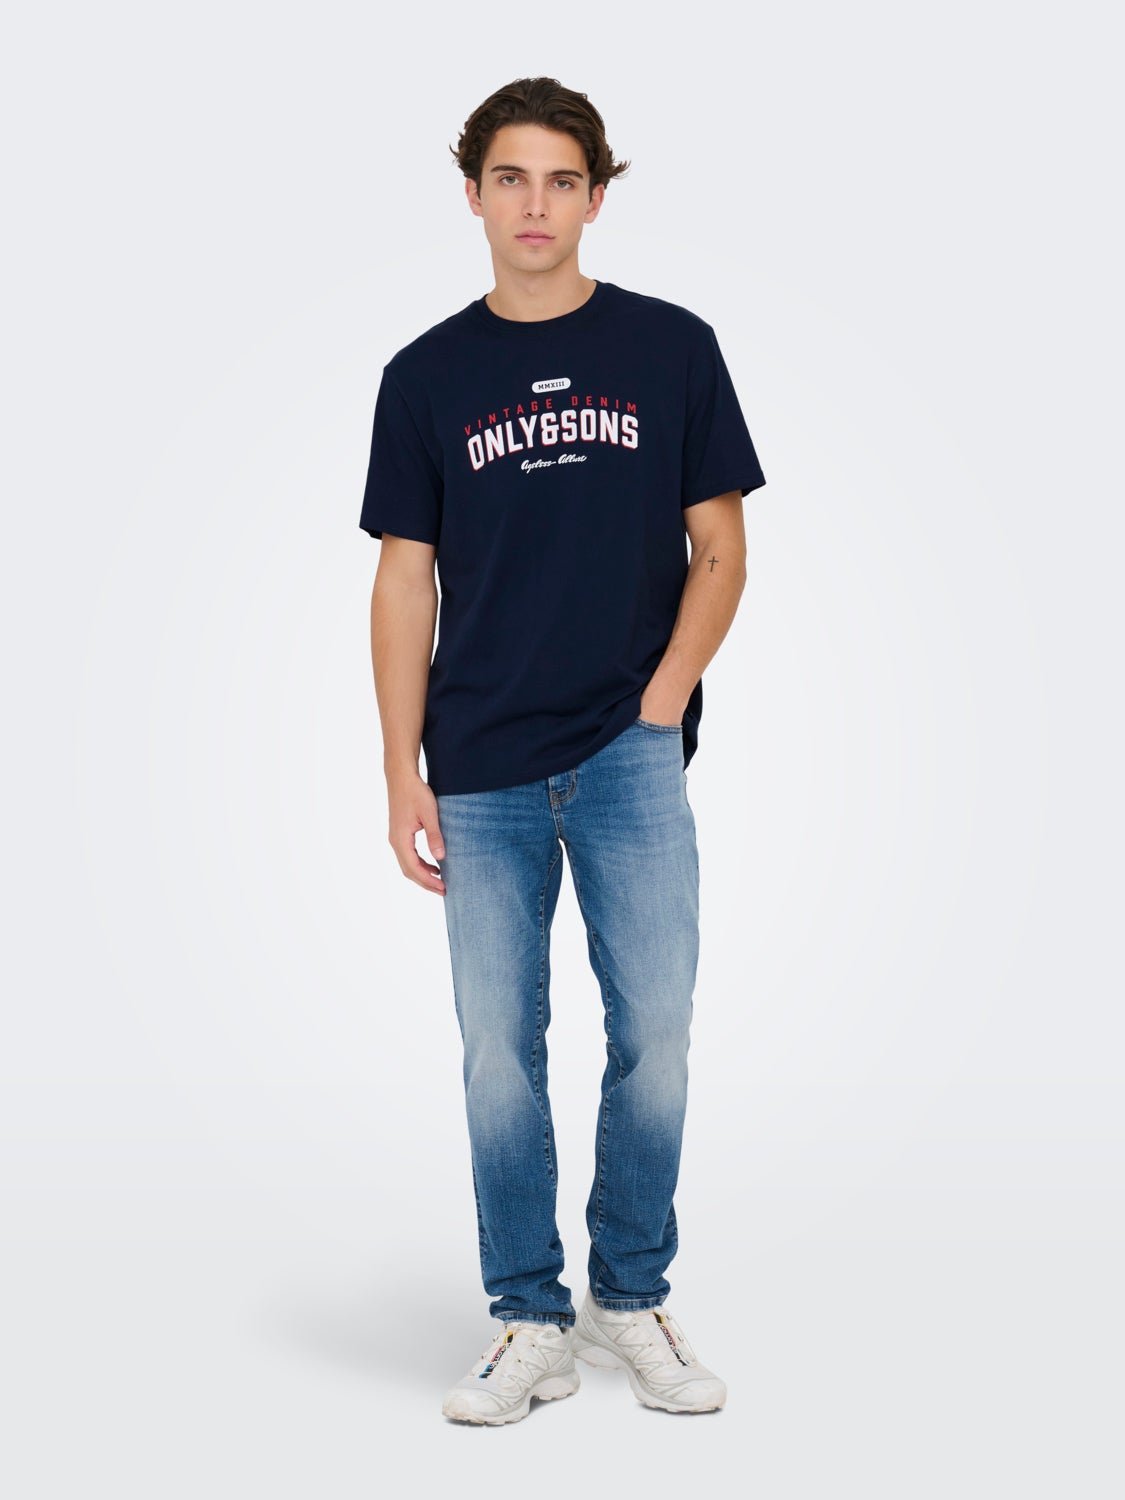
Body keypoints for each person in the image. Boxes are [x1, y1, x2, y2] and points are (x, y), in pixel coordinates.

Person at [359, 76, 766, 1425]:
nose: (535, 204)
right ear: (474, 193)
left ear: (595, 195)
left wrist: (662, 700)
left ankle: (630, 1296)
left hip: (629, 756)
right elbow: (403, 580)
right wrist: (401, 767)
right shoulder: (425, 377)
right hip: (478, 767)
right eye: (511, 178)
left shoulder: (670, 348)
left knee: (656, 1032)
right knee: (498, 1050)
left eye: (562, 180)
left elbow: (722, 548)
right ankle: (528, 1317)